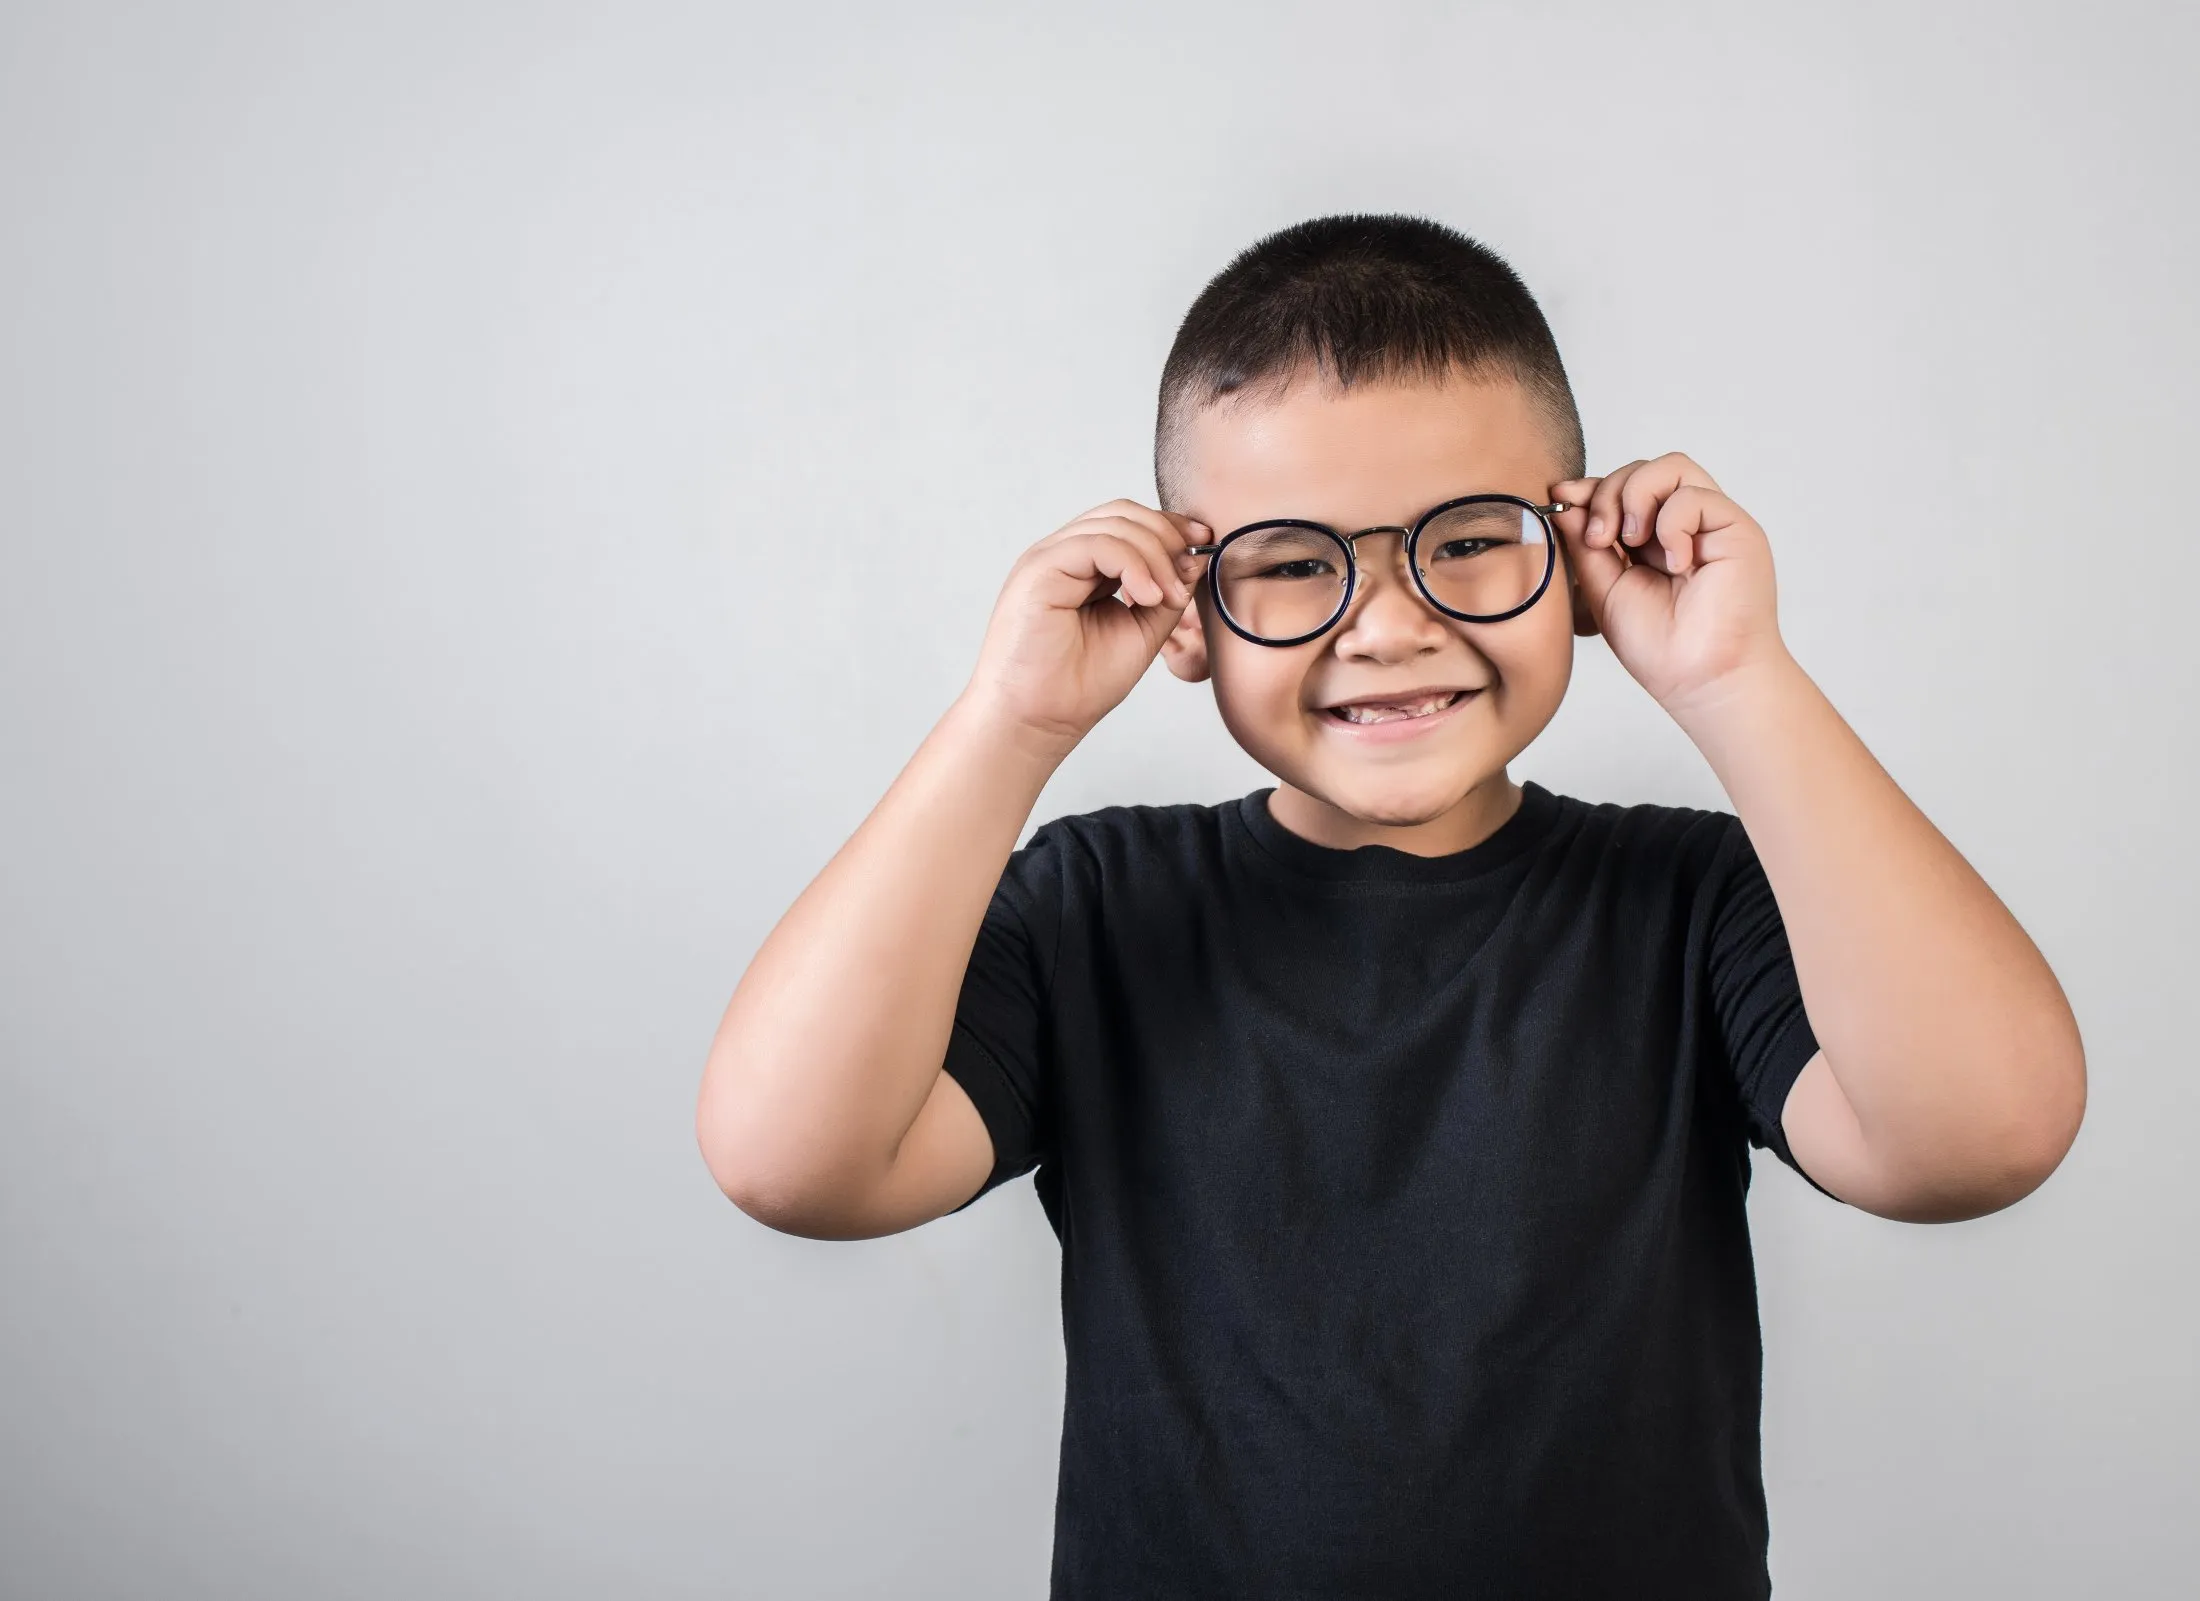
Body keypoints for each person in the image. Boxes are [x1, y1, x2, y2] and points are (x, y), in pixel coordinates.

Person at [695, 214, 2087, 1598]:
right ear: (1186, 605)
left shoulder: (1691, 901)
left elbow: (1980, 1141)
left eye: (1469, 540)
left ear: (1581, 554)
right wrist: (1009, 720)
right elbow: (795, 1161)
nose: (1388, 623)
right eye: (1295, 562)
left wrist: (1738, 680)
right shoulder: (1096, 912)